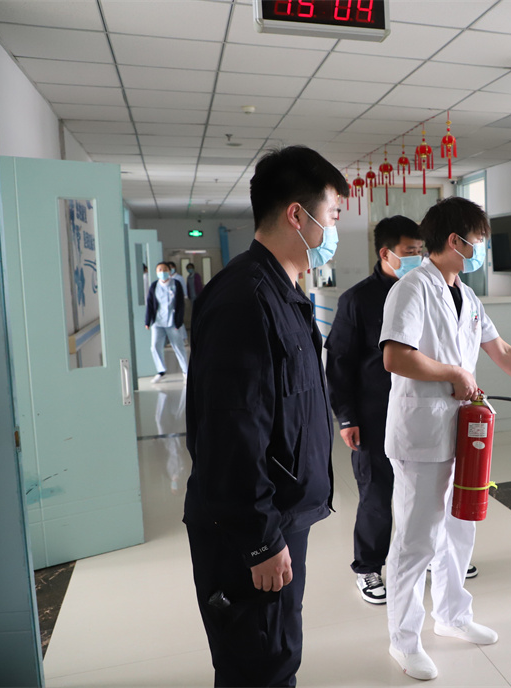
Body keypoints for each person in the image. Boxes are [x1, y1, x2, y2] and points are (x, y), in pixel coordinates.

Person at [380, 197, 511, 681]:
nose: (482, 251)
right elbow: (395, 356)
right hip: (421, 434)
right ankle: (403, 640)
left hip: (464, 431)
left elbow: (504, 352)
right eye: (479, 241)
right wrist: (454, 373)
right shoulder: (412, 289)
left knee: (460, 528)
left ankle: (452, 616)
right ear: (456, 241)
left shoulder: (467, 297)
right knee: (416, 540)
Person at [183, 145, 347, 687]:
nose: (334, 231)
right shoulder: (246, 300)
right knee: (260, 668)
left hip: (279, 516)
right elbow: (230, 433)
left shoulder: (284, 292)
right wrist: (261, 540)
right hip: (251, 529)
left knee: (275, 655)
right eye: (332, 216)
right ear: (297, 215)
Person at [325, 216, 426, 605]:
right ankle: (368, 566)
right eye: (410, 252)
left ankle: (424, 557)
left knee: (424, 491)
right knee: (377, 494)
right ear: (386, 253)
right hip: (374, 414)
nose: (418, 258)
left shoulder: (425, 292)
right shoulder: (358, 300)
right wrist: (347, 417)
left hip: (421, 409)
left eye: (420, 251)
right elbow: (339, 363)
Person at [144, 262, 188, 384]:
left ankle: (186, 372)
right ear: (156, 272)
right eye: (160, 270)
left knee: (178, 347)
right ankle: (161, 371)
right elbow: (150, 304)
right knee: (155, 346)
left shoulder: (176, 284)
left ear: (169, 271)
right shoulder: (154, 286)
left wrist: (179, 321)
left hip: (173, 322)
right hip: (158, 322)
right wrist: (147, 321)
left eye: (165, 269)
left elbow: (180, 304)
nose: (162, 272)